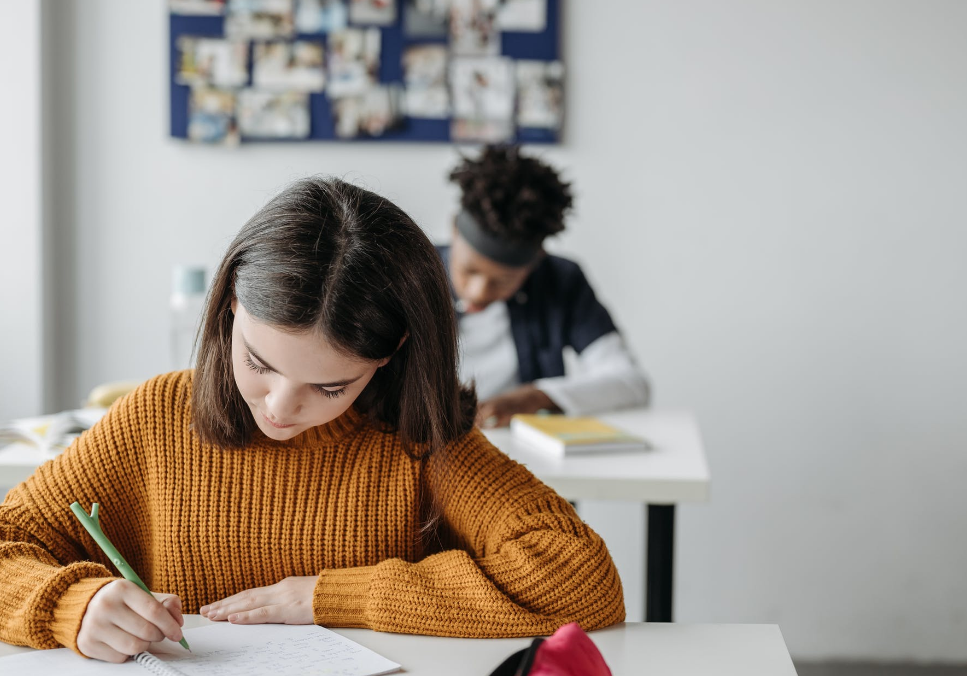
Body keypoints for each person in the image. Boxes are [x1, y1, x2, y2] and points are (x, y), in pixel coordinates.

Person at [0, 177, 625, 663]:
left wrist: (331, 596)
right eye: (259, 363)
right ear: (229, 309)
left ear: (391, 356)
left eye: (330, 386)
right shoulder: (159, 415)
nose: (279, 406)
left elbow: (580, 580)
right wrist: (71, 606)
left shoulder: (421, 437)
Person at [442, 146, 651, 428]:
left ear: (535, 261)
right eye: (469, 270)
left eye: (503, 281)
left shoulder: (560, 280)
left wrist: (535, 398)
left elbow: (630, 382)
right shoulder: (406, 273)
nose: (478, 291)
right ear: (454, 230)